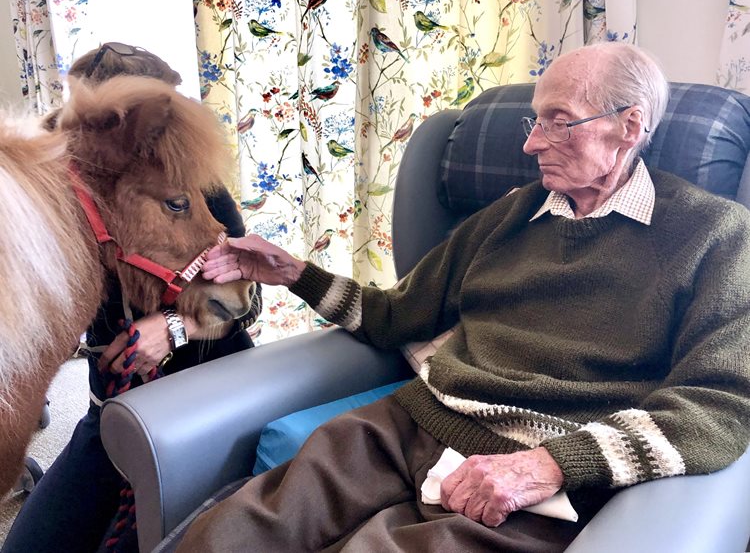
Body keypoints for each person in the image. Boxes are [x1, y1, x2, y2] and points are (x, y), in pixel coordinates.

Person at [171, 42, 750, 552]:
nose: (531, 144)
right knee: (238, 528)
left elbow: (722, 402)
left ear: (628, 126)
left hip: (534, 469)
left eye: (556, 121)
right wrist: (295, 272)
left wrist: (553, 465)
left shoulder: (714, 236)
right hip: (413, 423)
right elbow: (396, 314)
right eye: (533, 121)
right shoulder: (514, 215)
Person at [1, 44, 261, 553]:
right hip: (112, 411)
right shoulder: (70, 199)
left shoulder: (188, 185)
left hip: (203, 402)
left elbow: (246, 301)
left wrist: (173, 327)